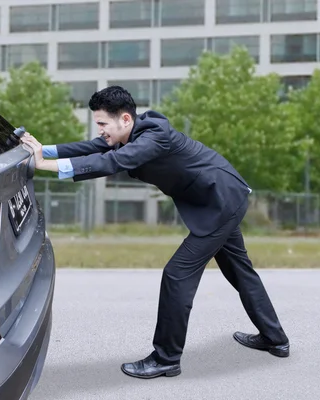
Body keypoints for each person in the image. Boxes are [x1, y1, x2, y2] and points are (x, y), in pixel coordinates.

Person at [20, 86, 289, 379]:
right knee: (240, 271)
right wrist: (40, 149)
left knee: (177, 274)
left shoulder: (153, 137)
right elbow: (93, 148)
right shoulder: (129, 135)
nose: (99, 131)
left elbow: (113, 162)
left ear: (125, 119)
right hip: (220, 199)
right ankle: (275, 339)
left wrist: (45, 165)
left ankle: (166, 358)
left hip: (220, 202)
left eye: (102, 124)